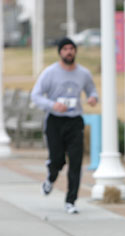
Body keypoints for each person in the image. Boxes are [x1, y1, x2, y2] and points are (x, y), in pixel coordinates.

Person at [31, 37, 98, 214]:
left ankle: (71, 201)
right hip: (55, 121)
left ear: (75, 51)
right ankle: (50, 177)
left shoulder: (83, 73)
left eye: (72, 48)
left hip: (75, 121)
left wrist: (93, 98)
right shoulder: (50, 72)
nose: (69, 52)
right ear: (60, 52)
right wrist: (53, 105)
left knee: (76, 161)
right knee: (58, 159)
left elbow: (92, 90)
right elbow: (36, 95)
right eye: (65, 49)